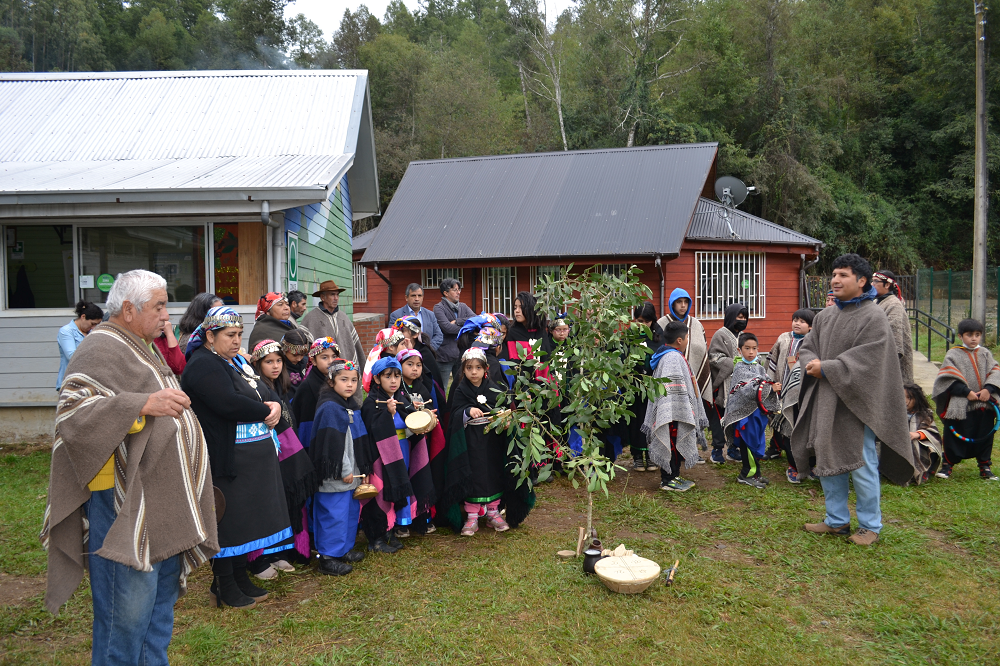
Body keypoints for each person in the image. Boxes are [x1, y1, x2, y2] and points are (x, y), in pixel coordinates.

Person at [41, 270, 217, 665]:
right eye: (158, 306)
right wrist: (140, 404)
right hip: (125, 505)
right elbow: (72, 415)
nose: (166, 315)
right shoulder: (100, 347)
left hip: (163, 503)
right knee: (127, 615)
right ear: (128, 308)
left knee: (159, 612)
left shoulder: (142, 344)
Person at [793, 253, 915, 546]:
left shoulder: (874, 317)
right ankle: (836, 521)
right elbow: (808, 346)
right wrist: (810, 362)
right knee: (827, 457)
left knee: (861, 463)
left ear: (861, 281)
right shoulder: (825, 316)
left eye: (843, 275)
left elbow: (871, 361)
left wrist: (828, 368)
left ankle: (870, 525)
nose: (835, 280)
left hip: (858, 403)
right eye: (834, 275)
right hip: (827, 400)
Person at [181, 306, 290, 608]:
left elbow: (260, 390)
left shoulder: (231, 362)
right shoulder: (203, 365)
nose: (236, 340)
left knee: (243, 519)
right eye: (230, 335)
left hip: (247, 458)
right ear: (209, 335)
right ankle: (224, 584)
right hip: (223, 456)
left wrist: (275, 405)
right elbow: (227, 403)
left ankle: (239, 576)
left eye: (239, 334)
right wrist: (267, 409)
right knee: (227, 520)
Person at [443, 347, 535, 535]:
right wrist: (467, 411)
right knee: (473, 474)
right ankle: (472, 516)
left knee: (493, 473)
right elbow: (454, 414)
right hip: (470, 443)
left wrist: (505, 417)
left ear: (486, 369)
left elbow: (504, 407)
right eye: (469, 368)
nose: (474, 372)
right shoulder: (460, 390)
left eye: (478, 367)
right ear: (463, 370)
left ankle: (493, 513)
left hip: (492, 442)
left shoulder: (495, 388)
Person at [249, 340, 318, 576]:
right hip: (267, 455)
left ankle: (281, 551)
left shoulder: (283, 388)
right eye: (269, 362)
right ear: (258, 364)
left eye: (279, 361)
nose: (276, 366)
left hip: (287, 451)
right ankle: (261, 555)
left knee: (286, 502)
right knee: (268, 503)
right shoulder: (256, 388)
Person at [308, 358, 372, 575]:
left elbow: (358, 440)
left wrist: (362, 469)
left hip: (352, 474)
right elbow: (333, 445)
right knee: (333, 514)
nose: (350, 385)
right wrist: (345, 470)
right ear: (331, 381)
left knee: (349, 512)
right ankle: (327, 556)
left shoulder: (351, 406)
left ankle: (343, 549)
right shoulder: (330, 408)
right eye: (344, 379)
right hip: (336, 475)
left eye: (354, 380)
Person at [642, 321, 709, 492]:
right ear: (679, 340)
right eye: (687, 337)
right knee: (670, 443)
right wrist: (676, 408)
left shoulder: (669, 354)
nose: (688, 340)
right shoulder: (672, 358)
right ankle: (667, 479)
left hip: (674, 412)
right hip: (671, 413)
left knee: (674, 443)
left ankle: (675, 475)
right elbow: (673, 389)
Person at [932, 318, 1000, 481]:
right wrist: (966, 391)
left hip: (985, 404)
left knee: (985, 434)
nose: (974, 338)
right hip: (960, 404)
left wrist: (988, 389)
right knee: (953, 433)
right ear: (961, 336)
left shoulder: (985, 353)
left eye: (977, 335)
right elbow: (947, 378)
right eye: (970, 335)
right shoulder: (953, 354)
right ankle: (947, 465)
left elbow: (995, 371)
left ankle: (984, 465)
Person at [360, 357, 417, 553]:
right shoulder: (371, 403)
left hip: (399, 453)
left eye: (397, 375)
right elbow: (371, 429)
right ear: (377, 379)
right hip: (379, 458)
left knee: (393, 490)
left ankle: (388, 531)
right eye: (388, 376)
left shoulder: (400, 399)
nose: (394, 380)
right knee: (381, 494)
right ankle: (375, 538)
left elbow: (407, 425)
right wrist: (388, 415)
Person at [723, 332, 780, 489]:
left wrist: (772, 387)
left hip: (757, 414)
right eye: (747, 348)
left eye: (754, 348)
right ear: (739, 350)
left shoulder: (759, 368)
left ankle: (756, 474)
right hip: (745, 416)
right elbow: (746, 390)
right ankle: (746, 475)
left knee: (756, 443)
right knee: (748, 444)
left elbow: (765, 382)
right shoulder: (740, 368)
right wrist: (769, 387)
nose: (751, 352)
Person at [767, 309, 815, 483]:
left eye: (802, 321)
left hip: (806, 395)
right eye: (795, 319)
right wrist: (771, 384)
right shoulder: (783, 338)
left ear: (810, 327)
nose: (797, 323)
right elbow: (772, 361)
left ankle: (810, 464)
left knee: (808, 429)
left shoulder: (814, 341)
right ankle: (793, 465)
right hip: (783, 391)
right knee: (787, 426)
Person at [708, 303, 748, 463]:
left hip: (738, 386)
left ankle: (733, 448)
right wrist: (734, 363)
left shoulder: (743, 335)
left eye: (744, 317)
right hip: (723, 385)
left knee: (735, 418)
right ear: (731, 317)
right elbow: (713, 357)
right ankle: (717, 450)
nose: (742, 320)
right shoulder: (720, 334)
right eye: (739, 317)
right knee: (719, 419)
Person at [291, 337, 341, 448]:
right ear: (313, 361)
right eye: (324, 357)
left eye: (334, 356)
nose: (331, 361)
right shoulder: (308, 388)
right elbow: (306, 427)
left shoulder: (338, 380)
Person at [300, 280, 366, 365]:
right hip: (322, 372)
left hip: (346, 369)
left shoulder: (343, 317)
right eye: (332, 294)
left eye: (337, 294)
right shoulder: (310, 318)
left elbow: (355, 345)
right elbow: (304, 350)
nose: (336, 298)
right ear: (322, 297)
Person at [630, 304, 662, 471]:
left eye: (646, 321)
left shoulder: (659, 335)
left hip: (652, 385)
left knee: (652, 419)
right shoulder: (630, 335)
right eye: (639, 321)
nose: (642, 324)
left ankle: (651, 455)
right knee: (636, 421)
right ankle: (637, 456)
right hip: (634, 386)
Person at [433, 278, 476, 386]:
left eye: (459, 289)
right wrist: (466, 328)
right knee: (442, 388)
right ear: (446, 293)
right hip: (444, 355)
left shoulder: (463, 306)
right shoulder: (438, 308)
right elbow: (447, 328)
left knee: (461, 386)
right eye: (454, 290)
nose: (458, 292)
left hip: (461, 354)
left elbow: (475, 320)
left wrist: (458, 321)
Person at [873, 270, 913, 384]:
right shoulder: (877, 301)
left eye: (876, 281)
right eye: (872, 281)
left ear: (887, 285)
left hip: (892, 367)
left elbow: (895, 344)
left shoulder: (894, 305)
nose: (872, 284)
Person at [56, 300, 103, 389]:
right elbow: (72, 356)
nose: (94, 327)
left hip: (90, 382)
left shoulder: (92, 332)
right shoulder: (66, 331)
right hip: (71, 382)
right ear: (83, 317)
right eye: (92, 324)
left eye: (97, 324)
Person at [902, 384, 943, 485]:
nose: (905, 400)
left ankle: (922, 470)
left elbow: (932, 432)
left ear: (917, 399)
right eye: (902, 397)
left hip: (920, 445)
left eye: (909, 397)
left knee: (920, 446)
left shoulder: (924, 414)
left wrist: (918, 435)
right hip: (900, 444)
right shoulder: (895, 414)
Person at [390, 283, 444, 350]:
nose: (417, 299)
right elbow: (393, 337)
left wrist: (428, 349)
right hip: (405, 355)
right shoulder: (396, 315)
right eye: (413, 296)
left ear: (423, 297)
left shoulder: (430, 315)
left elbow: (439, 335)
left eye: (419, 296)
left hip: (426, 355)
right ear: (406, 298)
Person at [361, 327, 407, 392]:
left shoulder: (387, 360)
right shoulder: (390, 364)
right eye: (402, 344)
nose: (405, 348)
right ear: (391, 347)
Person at [280, 329, 312, 399]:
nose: (299, 359)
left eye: (302, 354)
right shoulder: (278, 368)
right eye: (295, 355)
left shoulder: (308, 364)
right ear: (284, 350)